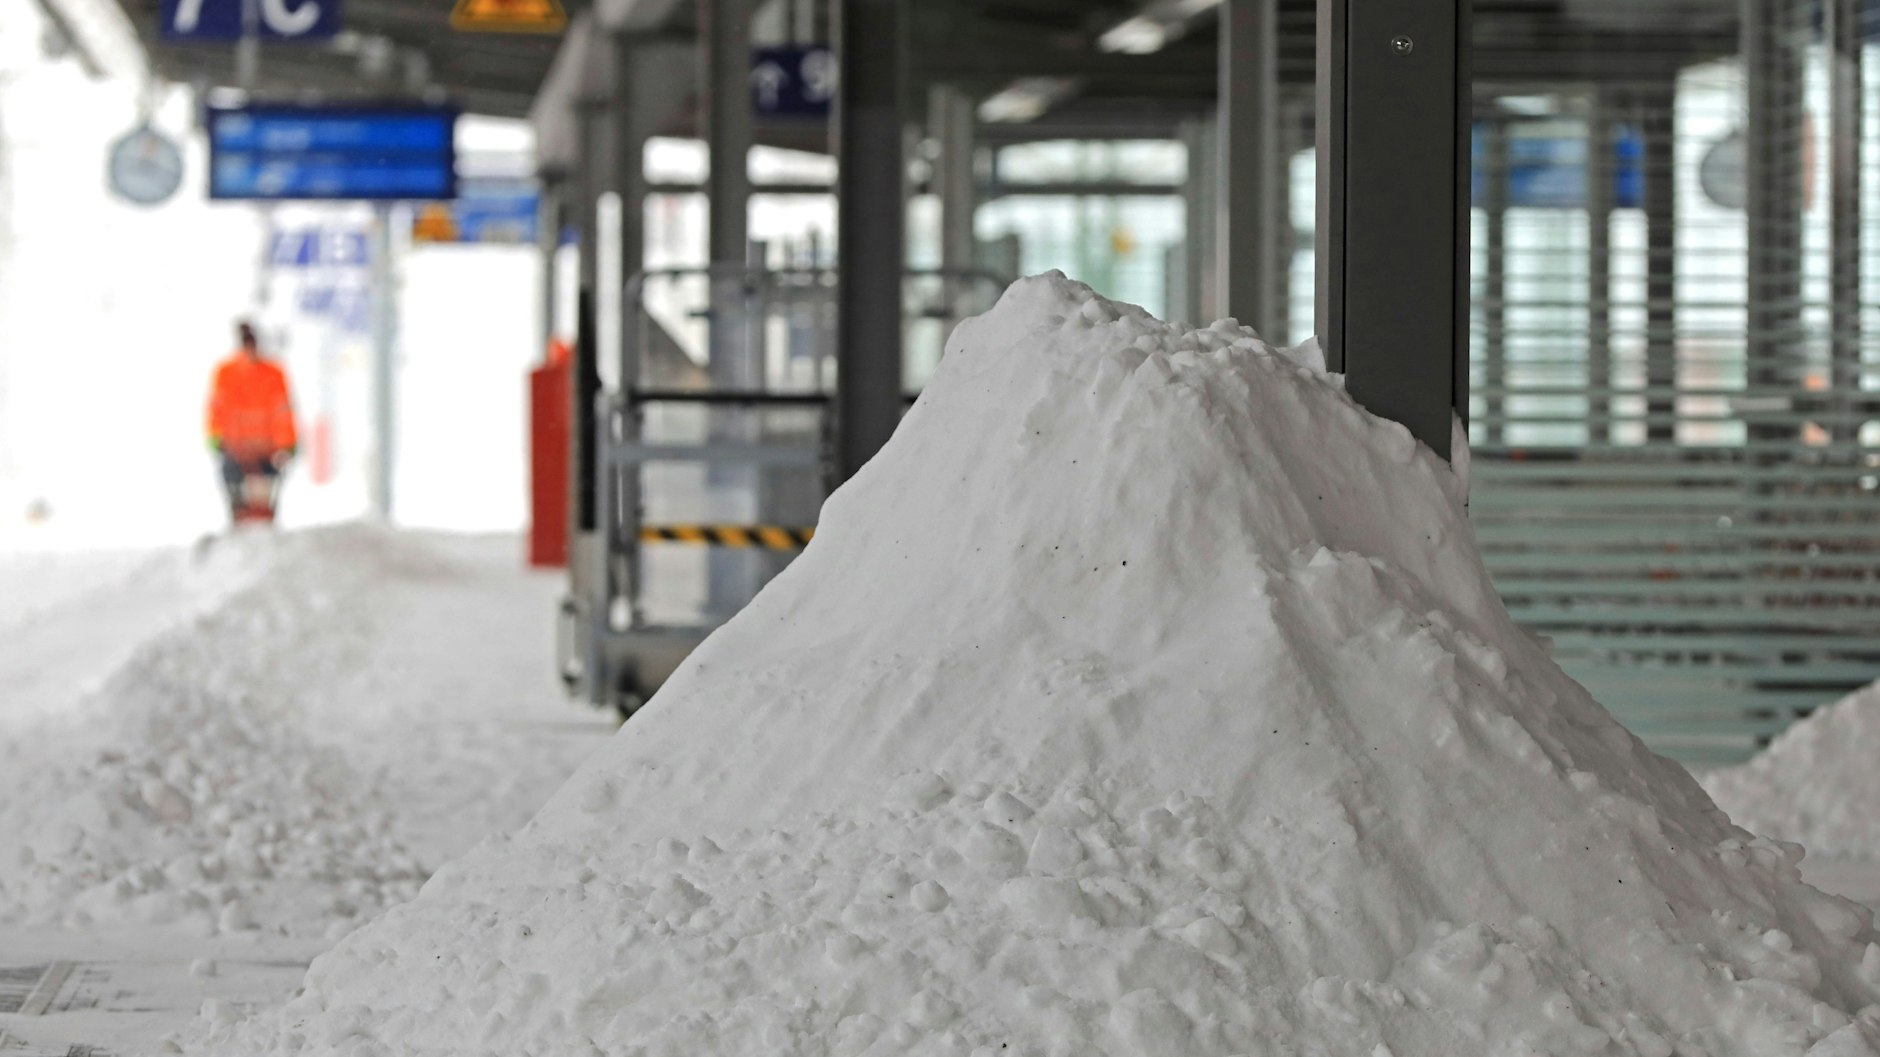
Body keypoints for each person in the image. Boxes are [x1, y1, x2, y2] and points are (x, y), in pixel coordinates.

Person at [206, 321, 297, 522]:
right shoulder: (225, 373)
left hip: (266, 453)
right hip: (236, 452)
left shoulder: (273, 373)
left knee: (263, 504)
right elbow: (216, 410)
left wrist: (286, 445)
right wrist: (216, 438)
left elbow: (282, 412)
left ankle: (262, 531)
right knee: (239, 502)